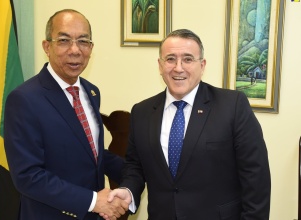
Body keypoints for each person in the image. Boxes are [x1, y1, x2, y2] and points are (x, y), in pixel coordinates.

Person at [107, 29, 271, 220]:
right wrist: (128, 190)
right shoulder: (141, 112)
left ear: (202, 65)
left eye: (187, 59)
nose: (178, 68)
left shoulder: (233, 106)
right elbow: (135, 166)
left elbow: (256, 177)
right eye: (170, 59)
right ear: (160, 65)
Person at [4, 9, 128, 220]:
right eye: (64, 40)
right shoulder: (24, 99)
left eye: (83, 41)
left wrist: (141, 173)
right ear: (47, 46)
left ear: (91, 48)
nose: (75, 50)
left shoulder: (91, 91)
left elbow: (92, 153)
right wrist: (92, 201)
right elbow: (28, 176)